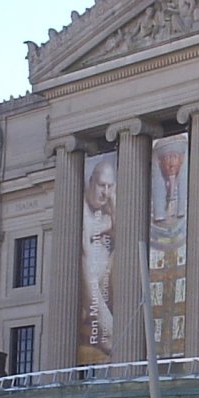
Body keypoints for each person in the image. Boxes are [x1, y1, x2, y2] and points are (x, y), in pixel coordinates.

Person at [79, 156, 116, 363]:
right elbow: (87, 279)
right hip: (90, 308)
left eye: (110, 187)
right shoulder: (82, 213)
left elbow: (126, 235)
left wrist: (114, 201)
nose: (105, 192)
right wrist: (106, 325)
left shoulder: (108, 207)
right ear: (90, 181)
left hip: (108, 292)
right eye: (101, 185)